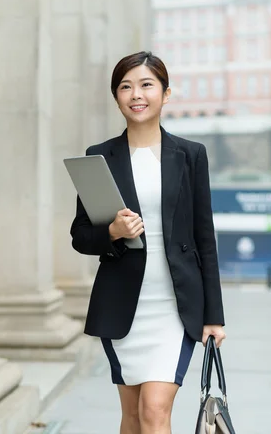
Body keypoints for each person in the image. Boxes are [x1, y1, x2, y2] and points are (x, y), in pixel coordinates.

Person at [70, 51, 226, 434]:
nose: (136, 94)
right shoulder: (99, 157)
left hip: (176, 306)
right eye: (125, 86)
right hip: (123, 303)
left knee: (155, 410)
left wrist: (214, 315)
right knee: (134, 416)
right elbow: (80, 236)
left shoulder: (190, 155)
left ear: (165, 94)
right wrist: (112, 233)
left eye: (146, 85)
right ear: (116, 96)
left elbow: (205, 238)